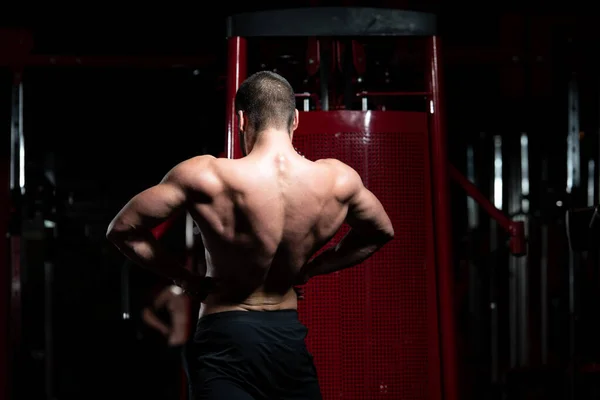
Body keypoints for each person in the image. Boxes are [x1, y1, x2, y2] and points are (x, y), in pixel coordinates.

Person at [106, 71, 394, 400]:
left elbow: (122, 229)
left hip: (225, 337)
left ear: (242, 120)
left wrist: (185, 279)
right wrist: (314, 268)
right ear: (295, 119)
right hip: (287, 340)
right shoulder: (338, 180)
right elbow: (381, 231)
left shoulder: (206, 176)